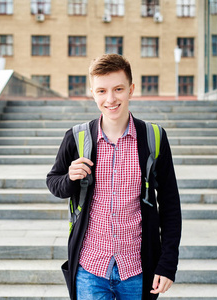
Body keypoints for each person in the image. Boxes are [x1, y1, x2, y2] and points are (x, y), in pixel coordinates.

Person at [46, 54, 181, 300]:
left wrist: (168, 263)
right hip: (90, 269)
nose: (110, 99)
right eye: (101, 91)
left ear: (131, 89)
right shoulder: (76, 137)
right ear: (92, 93)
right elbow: (54, 183)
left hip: (138, 269)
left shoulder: (154, 137)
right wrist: (69, 177)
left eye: (118, 89)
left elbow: (171, 205)